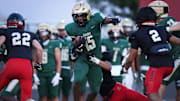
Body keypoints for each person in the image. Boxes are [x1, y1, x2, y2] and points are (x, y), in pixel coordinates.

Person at [65, 1, 120, 101]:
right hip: (82, 58)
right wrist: (77, 43)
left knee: (95, 89)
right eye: (76, 16)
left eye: (82, 16)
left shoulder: (96, 19)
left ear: (89, 14)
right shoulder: (71, 27)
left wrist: (112, 20)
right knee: (77, 81)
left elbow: (104, 20)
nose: (79, 19)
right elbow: (73, 42)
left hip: (95, 58)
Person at [123, 7, 180, 101]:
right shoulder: (161, 29)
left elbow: (132, 56)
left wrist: (125, 67)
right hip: (170, 64)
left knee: (150, 92)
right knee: (153, 89)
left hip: (157, 65)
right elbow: (177, 41)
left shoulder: (136, 34)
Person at [0, 13, 43, 101]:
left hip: (11, 64)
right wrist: (39, 65)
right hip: (27, 66)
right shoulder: (30, 34)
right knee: (26, 98)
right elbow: (39, 49)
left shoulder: (6, 32)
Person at [148, 0, 180, 100]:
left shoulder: (168, 21)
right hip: (169, 57)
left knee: (162, 81)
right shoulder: (154, 25)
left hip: (177, 56)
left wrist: (167, 30)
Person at [33, 23, 62, 101]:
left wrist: (57, 74)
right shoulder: (37, 44)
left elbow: (58, 61)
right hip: (41, 74)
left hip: (52, 73)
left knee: (53, 97)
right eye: (40, 32)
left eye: (44, 32)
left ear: (49, 33)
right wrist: (35, 74)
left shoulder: (54, 43)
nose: (42, 35)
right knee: (43, 97)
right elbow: (35, 61)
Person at [56, 21, 72, 101]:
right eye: (61, 30)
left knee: (66, 93)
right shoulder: (55, 41)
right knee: (55, 93)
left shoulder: (70, 41)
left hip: (67, 69)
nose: (63, 32)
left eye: (64, 30)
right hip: (56, 69)